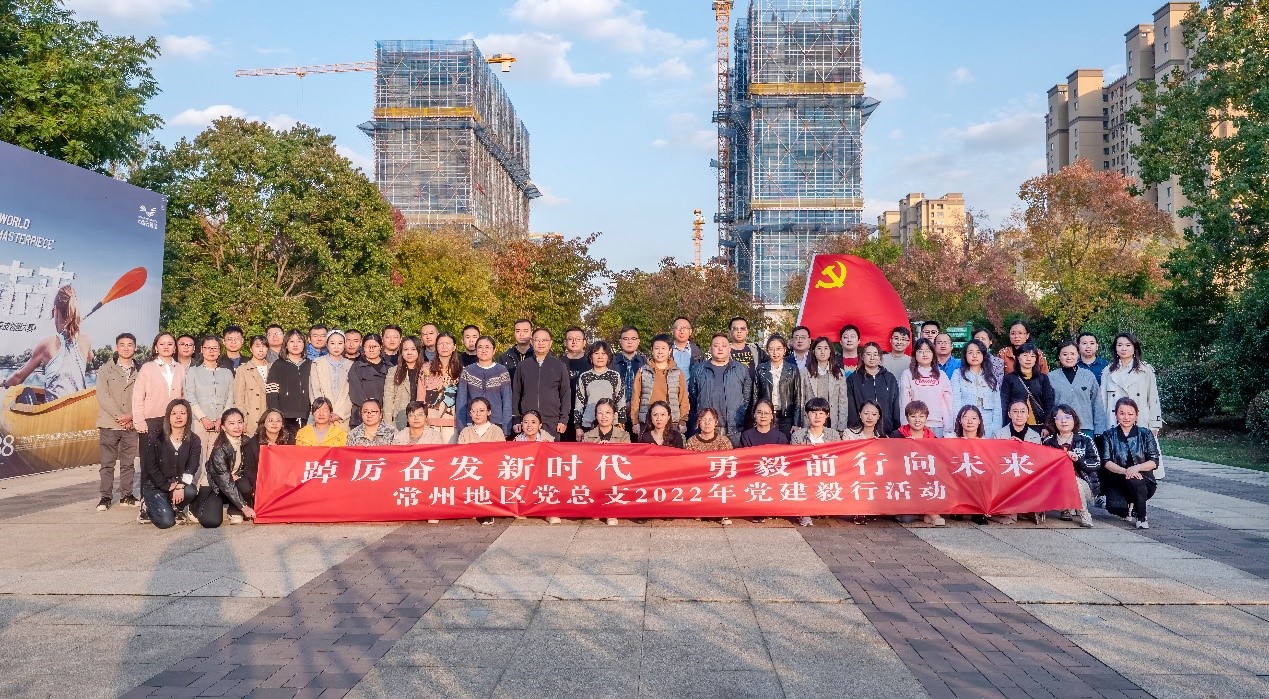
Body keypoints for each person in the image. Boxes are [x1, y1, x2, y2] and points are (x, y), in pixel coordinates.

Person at [138, 399, 200, 528]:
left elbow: (192, 467)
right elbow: (150, 466)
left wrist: (180, 485)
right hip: (156, 485)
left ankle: (176, 507)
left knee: (191, 490)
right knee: (166, 522)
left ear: (188, 416)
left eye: (183, 413)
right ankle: (148, 506)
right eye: (174, 413)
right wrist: (165, 485)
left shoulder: (194, 440)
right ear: (168, 417)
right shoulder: (156, 438)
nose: (178, 417)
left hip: (178, 484)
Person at [1100, 397, 1161, 529]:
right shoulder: (1108, 435)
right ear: (1116, 414)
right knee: (1114, 507)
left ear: (1136, 415)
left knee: (1134, 480)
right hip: (1117, 481)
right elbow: (1106, 462)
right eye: (1122, 413)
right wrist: (1126, 471)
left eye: (1130, 414)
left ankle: (1141, 517)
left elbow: (1154, 461)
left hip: (1143, 481)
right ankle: (1129, 507)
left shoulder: (1145, 434)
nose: (1126, 417)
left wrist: (1137, 468)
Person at [95, 332, 139, 511]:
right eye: (122, 344)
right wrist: (121, 416)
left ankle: (126, 495)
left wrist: (131, 415)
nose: (126, 348)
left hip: (132, 423)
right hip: (110, 423)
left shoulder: (141, 370)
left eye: (130, 344)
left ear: (135, 348)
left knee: (128, 463)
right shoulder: (105, 369)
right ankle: (105, 497)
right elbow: (102, 395)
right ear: (116, 347)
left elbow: (143, 396)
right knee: (107, 463)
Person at [191, 408, 256, 528]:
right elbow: (224, 481)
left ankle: (234, 510)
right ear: (223, 427)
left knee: (245, 485)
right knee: (211, 521)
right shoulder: (219, 448)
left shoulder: (247, 441)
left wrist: (240, 474)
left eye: (240, 422)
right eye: (231, 423)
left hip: (232, 483)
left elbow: (251, 464)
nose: (237, 426)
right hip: (214, 486)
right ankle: (195, 506)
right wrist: (245, 507)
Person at [687, 333, 753, 441]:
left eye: (724, 345)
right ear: (710, 348)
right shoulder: (698, 370)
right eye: (716, 345)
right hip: (706, 430)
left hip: (734, 429)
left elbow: (746, 398)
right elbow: (694, 396)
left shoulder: (741, 369)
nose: (720, 349)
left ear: (729, 349)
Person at [890, 401, 946, 527]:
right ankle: (919, 510)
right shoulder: (897, 435)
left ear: (926, 418)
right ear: (907, 417)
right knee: (906, 518)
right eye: (913, 416)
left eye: (921, 416)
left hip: (925, 479)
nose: (917, 420)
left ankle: (932, 512)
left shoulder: (932, 438)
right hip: (905, 481)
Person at [1043, 404, 1100, 528]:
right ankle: (1066, 507)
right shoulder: (1048, 442)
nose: (1063, 421)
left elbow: (1096, 464)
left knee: (1074, 481)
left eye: (1068, 417)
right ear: (1053, 421)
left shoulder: (1086, 440)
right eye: (1058, 418)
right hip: (1057, 487)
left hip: (1085, 487)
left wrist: (1079, 460)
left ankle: (1084, 514)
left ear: (1074, 419)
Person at [1100, 333, 1163, 438]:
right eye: (1120, 345)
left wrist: (1155, 425)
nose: (1123, 348)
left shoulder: (1145, 370)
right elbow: (1103, 402)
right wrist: (1101, 427)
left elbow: (1153, 399)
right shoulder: (1108, 371)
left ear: (1135, 347)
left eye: (1128, 345)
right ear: (1115, 348)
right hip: (1114, 423)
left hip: (1140, 422)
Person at [511, 328, 571, 439]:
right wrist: (516, 418)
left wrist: (563, 419)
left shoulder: (559, 366)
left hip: (551, 422)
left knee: (550, 455)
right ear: (532, 342)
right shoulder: (523, 366)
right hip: (527, 422)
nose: (541, 343)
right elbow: (516, 393)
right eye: (537, 340)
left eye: (545, 340)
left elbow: (565, 394)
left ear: (550, 343)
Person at [185, 335, 235, 467]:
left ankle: (211, 487)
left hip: (220, 422)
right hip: (199, 421)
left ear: (219, 351)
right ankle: (195, 486)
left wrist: (221, 419)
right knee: (198, 457)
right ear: (201, 349)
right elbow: (190, 396)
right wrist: (203, 418)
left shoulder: (227, 373)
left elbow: (230, 398)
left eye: (215, 348)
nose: (211, 351)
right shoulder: (193, 372)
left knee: (216, 458)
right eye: (208, 348)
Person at [237, 408, 294, 523]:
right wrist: (260, 486)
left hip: (283, 483)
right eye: (270, 420)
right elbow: (249, 470)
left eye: (278, 420)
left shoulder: (289, 440)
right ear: (263, 423)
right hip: (261, 483)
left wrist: (278, 452)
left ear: (282, 424)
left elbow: (293, 466)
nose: (274, 423)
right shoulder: (252, 443)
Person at [791, 397, 841, 528]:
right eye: (813, 412)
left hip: (827, 474)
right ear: (807, 414)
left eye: (821, 413)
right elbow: (794, 461)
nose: (817, 416)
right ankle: (805, 512)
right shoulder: (798, 436)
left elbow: (839, 459)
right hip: (805, 474)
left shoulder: (834, 435)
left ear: (827, 416)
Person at [631, 333, 690, 437]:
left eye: (663, 348)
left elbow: (683, 399)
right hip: (647, 421)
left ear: (669, 351)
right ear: (652, 350)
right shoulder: (643, 371)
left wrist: (682, 421)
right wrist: (635, 421)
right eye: (656, 348)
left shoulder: (677, 372)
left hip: (671, 423)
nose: (660, 352)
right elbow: (636, 398)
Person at [456, 336, 512, 437]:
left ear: (494, 350)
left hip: (496, 423)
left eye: (487, 347)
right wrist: (461, 426)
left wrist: (506, 428)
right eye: (480, 347)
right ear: (476, 350)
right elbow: (461, 400)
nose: (484, 350)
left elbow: (507, 400)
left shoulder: (501, 371)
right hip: (472, 423)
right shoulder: (468, 371)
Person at [1051, 340, 1107, 438]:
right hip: (1060, 428)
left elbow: (1097, 403)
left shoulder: (1088, 376)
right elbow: (1049, 405)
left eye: (1072, 354)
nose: (1069, 357)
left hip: (1085, 427)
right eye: (1065, 354)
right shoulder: (1051, 377)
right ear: (1059, 357)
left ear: (1078, 355)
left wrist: (1099, 429)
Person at [899, 339, 955, 437]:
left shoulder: (941, 375)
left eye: (928, 351)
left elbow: (948, 403)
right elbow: (904, 402)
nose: (924, 354)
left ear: (933, 354)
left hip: (937, 425)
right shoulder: (907, 374)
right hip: (915, 426)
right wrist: (905, 426)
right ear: (915, 355)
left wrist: (949, 428)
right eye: (920, 351)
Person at [134, 332, 185, 436]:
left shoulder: (181, 368)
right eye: (162, 344)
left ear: (175, 348)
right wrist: (139, 421)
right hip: (151, 421)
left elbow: (185, 396)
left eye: (170, 344)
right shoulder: (147, 368)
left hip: (175, 421)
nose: (166, 347)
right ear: (156, 348)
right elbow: (137, 397)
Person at [846, 342, 902, 436]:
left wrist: (896, 430)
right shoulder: (853, 379)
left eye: (875, 354)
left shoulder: (889, 378)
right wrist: (855, 430)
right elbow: (851, 408)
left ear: (880, 357)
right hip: (861, 433)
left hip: (886, 431)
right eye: (868, 354)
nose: (872, 357)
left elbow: (895, 406)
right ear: (862, 357)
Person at [574, 341, 626, 440]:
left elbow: (620, 400)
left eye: (603, 353)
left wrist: (621, 422)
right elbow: (579, 403)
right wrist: (578, 426)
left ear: (608, 357)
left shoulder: (615, 376)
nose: (600, 357)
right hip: (588, 424)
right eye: (596, 353)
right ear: (590, 357)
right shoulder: (584, 377)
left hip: (611, 425)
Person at [950, 405, 991, 525]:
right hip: (957, 474)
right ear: (959, 420)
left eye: (973, 418)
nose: (969, 421)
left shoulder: (986, 442)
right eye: (965, 417)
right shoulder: (950, 439)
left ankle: (979, 511)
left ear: (979, 422)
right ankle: (957, 508)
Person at [951, 339, 1003, 434]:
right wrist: (958, 425)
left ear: (983, 355)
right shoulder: (958, 374)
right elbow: (955, 403)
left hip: (987, 422)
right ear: (965, 355)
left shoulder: (991, 376)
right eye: (970, 352)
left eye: (978, 352)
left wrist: (996, 431)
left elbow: (997, 407)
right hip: (967, 422)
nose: (974, 356)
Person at [757, 335, 804, 437]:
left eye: (778, 349)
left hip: (786, 417)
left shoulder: (792, 369)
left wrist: (796, 423)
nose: (775, 353)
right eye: (771, 349)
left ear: (784, 350)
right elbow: (755, 395)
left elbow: (798, 398)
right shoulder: (761, 369)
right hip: (766, 416)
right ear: (767, 351)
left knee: (784, 448)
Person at [418, 332, 462, 443]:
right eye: (441, 343)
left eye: (448, 343)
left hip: (452, 424)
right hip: (430, 422)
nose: (444, 347)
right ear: (436, 347)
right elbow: (420, 396)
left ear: (454, 347)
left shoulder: (461, 370)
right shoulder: (426, 368)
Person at [265, 330, 312, 432]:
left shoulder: (311, 365)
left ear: (304, 344)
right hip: (285, 417)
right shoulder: (277, 365)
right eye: (291, 341)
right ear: (285, 344)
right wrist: (277, 415)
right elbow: (271, 393)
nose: (295, 344)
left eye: (299, 341)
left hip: (308, 416)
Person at [1001, 342, 1055, 430]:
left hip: (1039, 426)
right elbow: (1004, 404)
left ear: (1036, 359)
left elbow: (1048, 403)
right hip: (1015, 426)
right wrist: (1004, 426)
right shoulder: (1009, 378)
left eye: (1033, 356)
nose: (1029, 359)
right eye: (1025, 355)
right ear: (1018, 357)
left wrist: (1047, 426)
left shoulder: (1043, 378)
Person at [801, 337, 849, 431]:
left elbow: (843, 402)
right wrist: (804, 424)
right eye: (819, 348)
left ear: (830, 351)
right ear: (814, 351)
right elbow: (802, 400)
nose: (822, 351)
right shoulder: (804, 373)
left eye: (826, 348)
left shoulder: (839, 373)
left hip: (831, 421)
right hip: (811, 420)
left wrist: (841, 427)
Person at [309, 330, 353, 424]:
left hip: (343, 418)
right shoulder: (317, 363)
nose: (336, 347)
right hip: (321, 416)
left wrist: (340, 414)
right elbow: (314, 390)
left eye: (340, 343)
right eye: (332, 343)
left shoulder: (351, 365)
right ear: (327, 344)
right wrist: (324, 411)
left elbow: (352, 394)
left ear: (344, 344)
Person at [349, 333, 388, 429]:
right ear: (363, 348)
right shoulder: (356, 366)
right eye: (368, 347)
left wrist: (380, 412)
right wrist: (370, 410)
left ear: (381, 347)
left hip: (384, 416)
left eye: (374, 346)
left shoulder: (389, 366)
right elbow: (355, 392)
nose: (371, 349)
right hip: (360, 416)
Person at [233, 336, 270, 433]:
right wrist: (242, 420)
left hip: (269, 418)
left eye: (264, 346)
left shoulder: (273, 368)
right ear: (251, 349)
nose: (261, 349)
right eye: (257, 346)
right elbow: (239, 399)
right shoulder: (243, 370)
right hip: (251, 419)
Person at [383, 336, 422, 429]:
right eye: (405, 349)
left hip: (421, 419)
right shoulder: (393, 371)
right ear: (401, 352)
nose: (409, 352)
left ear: (419, 351)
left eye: (413, 349)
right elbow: (388, 398)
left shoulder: (425, 370)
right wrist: (388, 424)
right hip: (401, 419)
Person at [561, 327, 592, 441]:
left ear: (584, 342)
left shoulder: (591, 363)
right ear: (565, 342)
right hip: (564, 417)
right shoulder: (558, 363)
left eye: (578, 339)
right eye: (570, 339)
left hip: (587, 416)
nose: (574, 342)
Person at [612, 326, 647, 430]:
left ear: (638, 341)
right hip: (616, 413)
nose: (629, 342)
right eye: (626, 339)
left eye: (633, 339)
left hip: (640, 412)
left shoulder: (645, 363)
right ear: (620, 341)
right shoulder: (612, 362)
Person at [670, 317, 706, 383]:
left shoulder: (698, 353)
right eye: (678, 328)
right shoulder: (665, 351)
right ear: (672, 331)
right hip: (670, 392)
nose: (682, 331)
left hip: (691, 392)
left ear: (690, 332)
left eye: (685, 328)